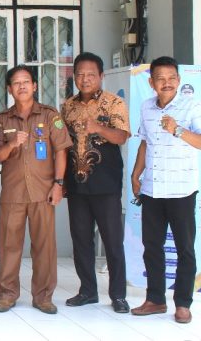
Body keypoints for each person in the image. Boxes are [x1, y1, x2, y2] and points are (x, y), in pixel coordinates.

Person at [0, 65, 72, 314]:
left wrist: (58, 184)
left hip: (42, 192)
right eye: (16, 83)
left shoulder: (49, 115)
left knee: (44, 247)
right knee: (9, 246)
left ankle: (43, 297)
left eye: (26, 81)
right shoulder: (2, 119)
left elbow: (61, 150)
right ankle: (7, 294)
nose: (22, 86)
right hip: (13, 193)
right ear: (9, 89)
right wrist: (12, 144)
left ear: (35, 86)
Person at [131, 56, 201, 324]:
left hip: (181, 191)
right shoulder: (146, 107)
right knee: (152, 247)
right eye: (161, 79)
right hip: (152, 189)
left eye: (172, 78)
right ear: (152, 83)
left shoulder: (192, 106)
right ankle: (155, 300)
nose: (167, 83)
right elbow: (145, 143)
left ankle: (183, 304)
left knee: (185, 249)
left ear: (179, 80)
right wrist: (136, 174)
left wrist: (178, 130)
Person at [61, 52, 130, 313]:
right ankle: (88, 291)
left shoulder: (114, 103)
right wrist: (61, 180)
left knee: (113, 241)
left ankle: (118, 295)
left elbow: (122, 136)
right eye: (80, 74)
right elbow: (63, 144)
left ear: (101, 76)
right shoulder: (68, 106)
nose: (85, 79)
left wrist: (99, 128)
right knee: (81, 240)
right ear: (74, 76)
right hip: (76, 183)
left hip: (106, 183)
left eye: (91, 74)